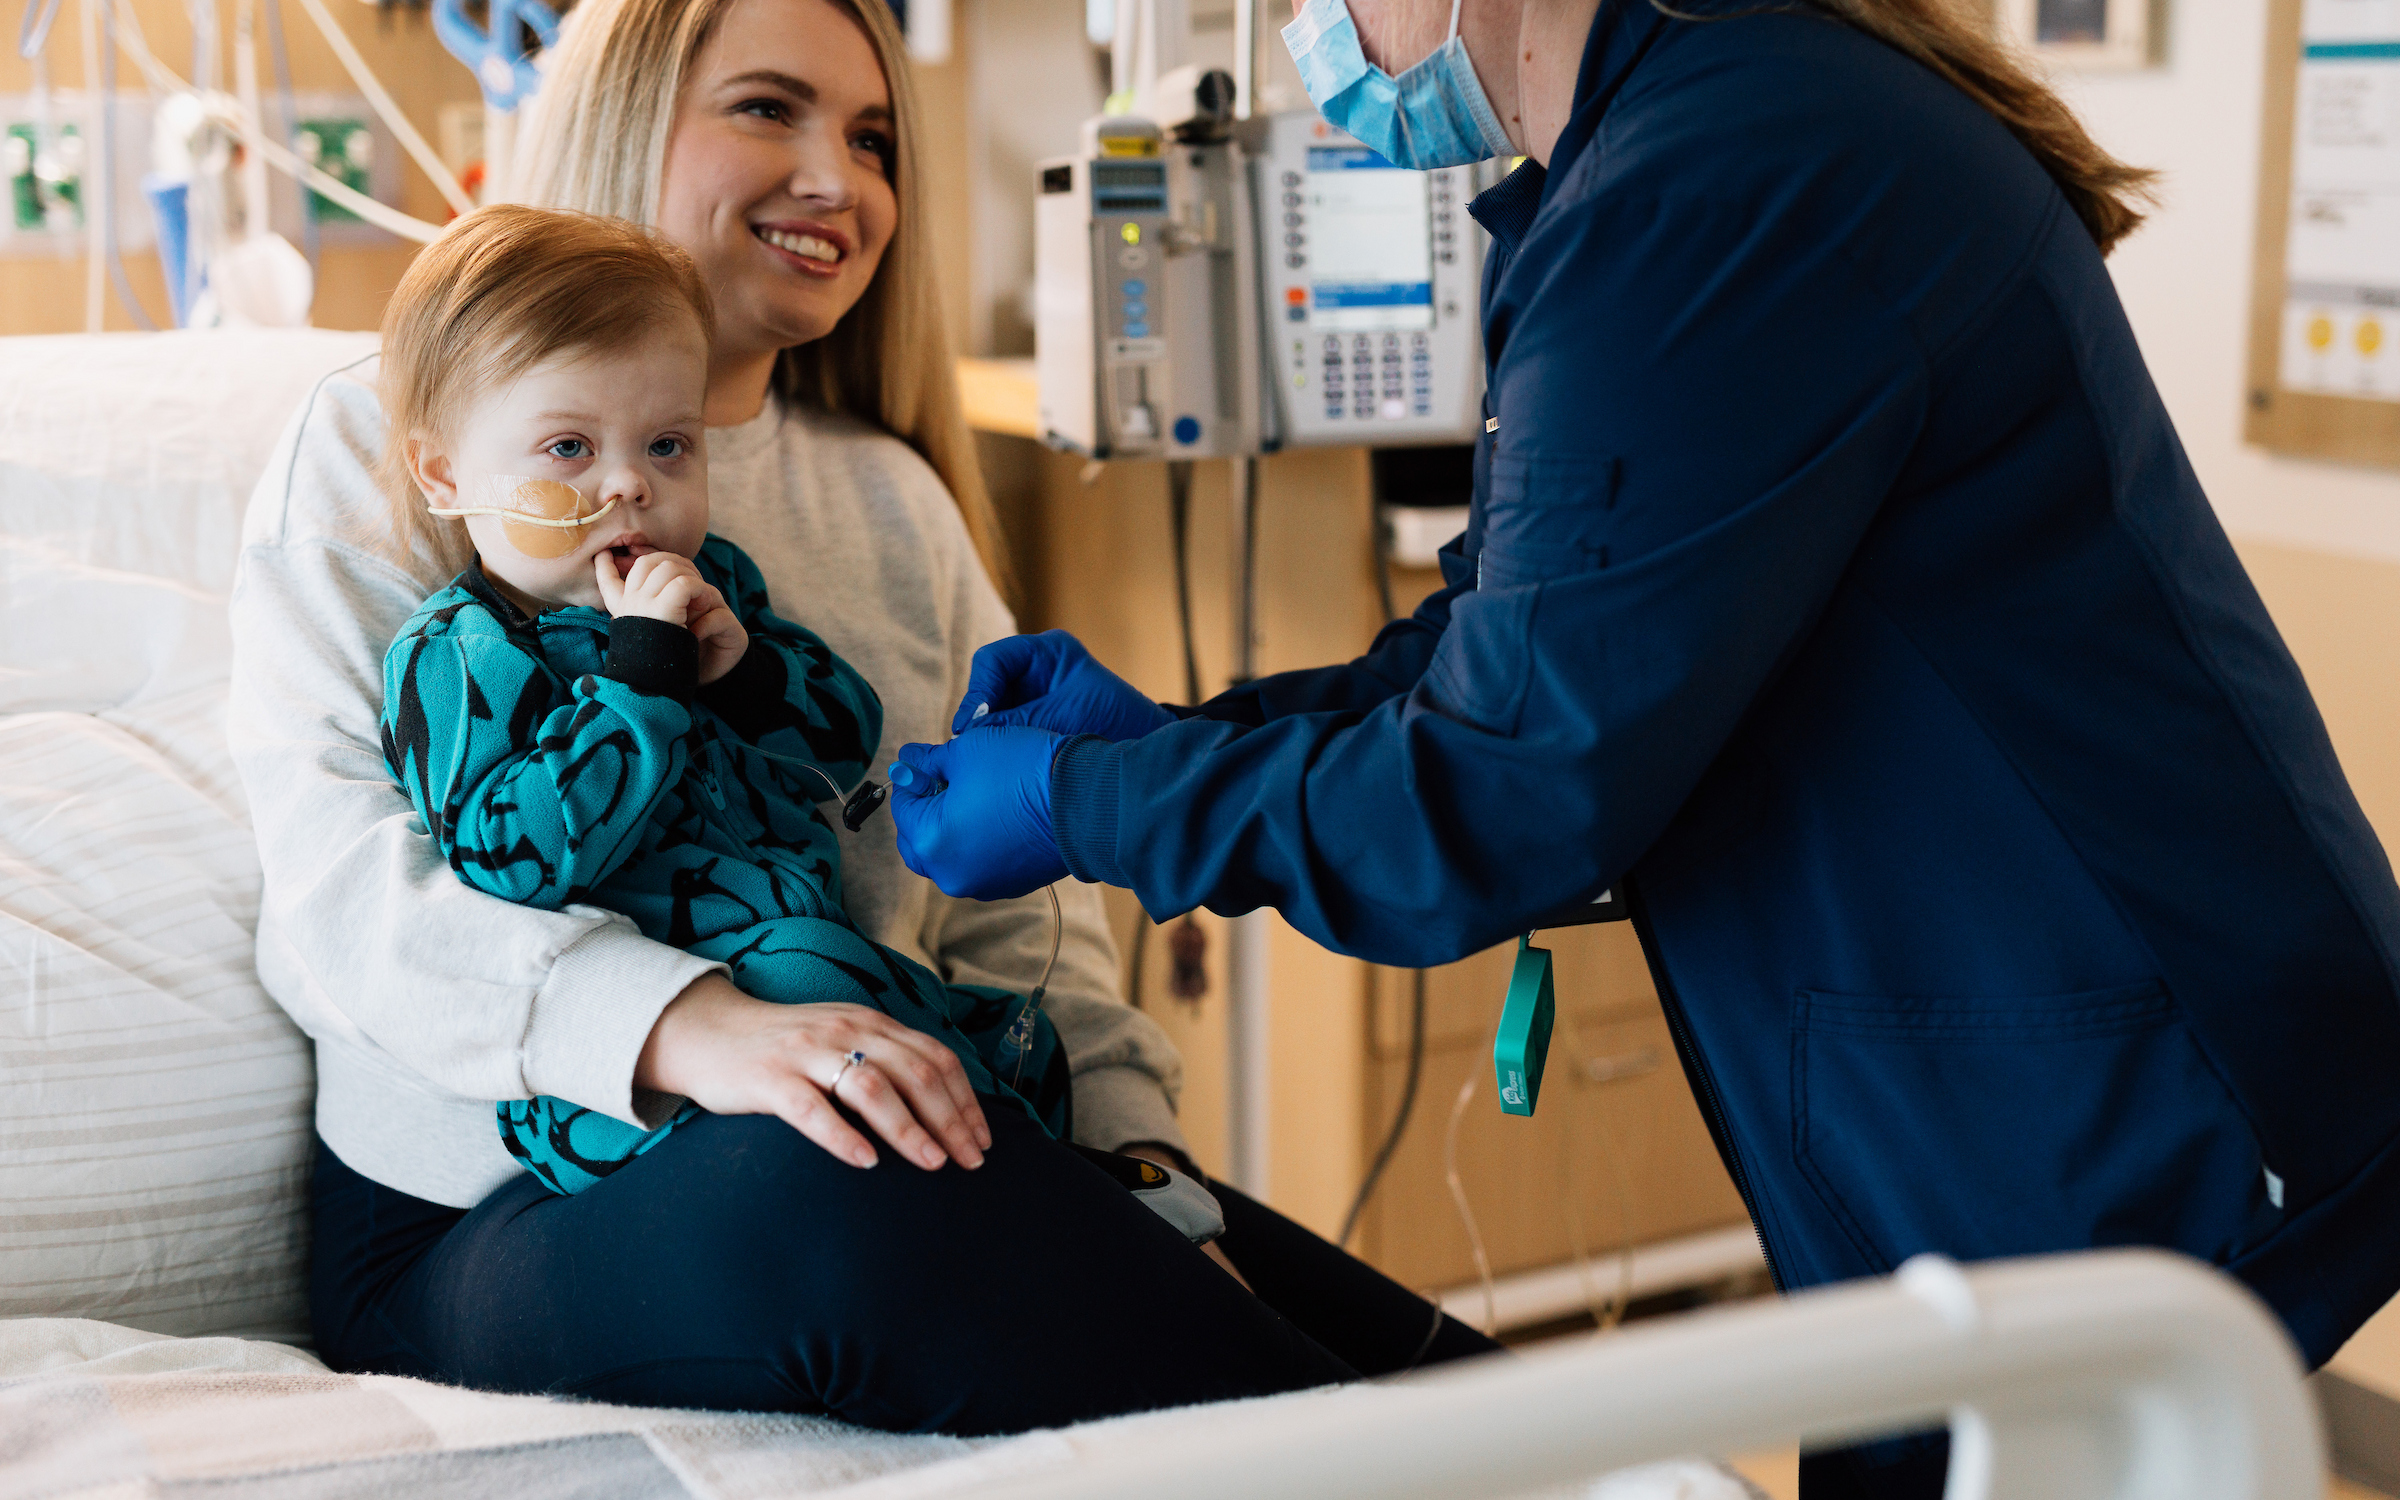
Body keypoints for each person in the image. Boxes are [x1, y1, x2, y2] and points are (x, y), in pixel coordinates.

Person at [885, 0, 2400, 1487]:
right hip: (2029, 1046)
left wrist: (1098, 803)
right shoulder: (1678, 142)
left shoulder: (1712, 179)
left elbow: (1496, 788)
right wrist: (1177, 740)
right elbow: (1505, 650)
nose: (1313, 34)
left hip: (2122, 1082)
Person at [228, 0, 1496, 1435]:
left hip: (875, 1109)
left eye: (876, 137)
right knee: (843, 1161)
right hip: (485, 1203)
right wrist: (687, 1028)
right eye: (769, 109)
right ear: (625, 115)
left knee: (1457, 1384)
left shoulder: (892, 497)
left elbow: (1025, 931)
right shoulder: (405, 433)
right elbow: (348, 893)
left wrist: (1140, 1164)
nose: (840, 179)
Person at [373, 205, 1087, 1195]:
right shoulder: (461, 653)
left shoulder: (716, 584)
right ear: (445, 471)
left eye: (669, 445)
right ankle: (1024, 1197)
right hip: (624, 1078)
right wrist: (644, 681)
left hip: (826, 969)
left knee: (1022, 1042)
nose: (629, 484)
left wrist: (745, 668)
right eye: (568, 449)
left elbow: (845, 748)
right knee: (814, 972)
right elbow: (510, 860)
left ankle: (1059, 1184)